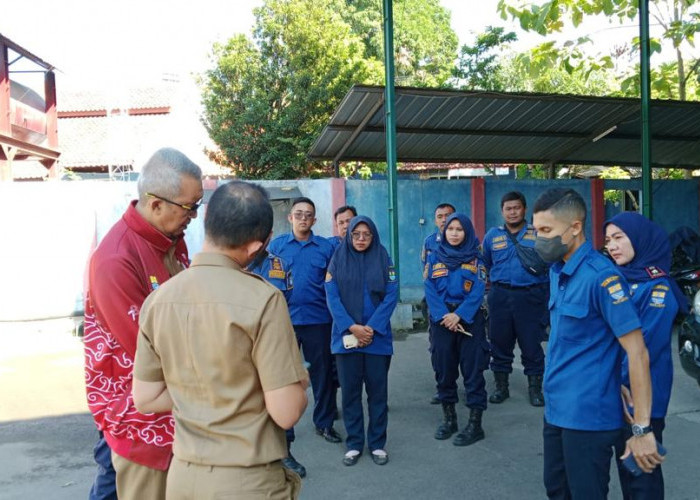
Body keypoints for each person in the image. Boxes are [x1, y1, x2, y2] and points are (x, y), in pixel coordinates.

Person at [133, 181, 309, 500]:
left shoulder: (159, 300)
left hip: (182, 477)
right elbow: (286, 411)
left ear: (206, 221)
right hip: (246, 481)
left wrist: (200, 392)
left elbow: (145, 398)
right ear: (258, 247)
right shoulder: (264, 299)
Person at [83, 148, 203, 499]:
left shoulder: (171, 240)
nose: (194, 216)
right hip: (137, 416)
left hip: (168, 404)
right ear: (155, 204)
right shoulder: (116, 259)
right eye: (189, 207)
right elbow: (144, 348)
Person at [532, 188, 663, 500]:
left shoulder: (602, 278)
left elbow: (637, 352)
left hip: (588, 416)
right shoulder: (557, 271)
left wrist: (642, 428)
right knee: (556, 490)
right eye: (536, 231)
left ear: (575, 227)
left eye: (546, 231)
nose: (539, 239)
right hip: (556, 409)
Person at [605, 212, 685, 500]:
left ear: (640, 239)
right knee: (628, 469)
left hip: (641, 398)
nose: (612, 246)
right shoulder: (620, 279)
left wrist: (611, 378)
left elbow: (642, 349)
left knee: (641, 474)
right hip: (617, 391)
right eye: (607, 240)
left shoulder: (658, 287)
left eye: (618, 238)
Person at [268, 198, 341, 467]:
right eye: (298, 214)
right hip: (283, 322)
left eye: (308, 215)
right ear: (290, 218)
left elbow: (335, 282)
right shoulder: (276, 248)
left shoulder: (324, 248)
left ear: (314, 220)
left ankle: (324, 423)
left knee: (323, 376)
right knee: (283, 378)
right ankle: (283, 434)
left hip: (318, 321)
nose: (303, 219)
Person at [325, 216, 399, 466]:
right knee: (350, 394)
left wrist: (371, 328)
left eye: (366, 234)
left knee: (378, 394)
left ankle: (377, 444)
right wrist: (352, 327)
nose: (360, 239)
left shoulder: (383, 256)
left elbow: (392, 293)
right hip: (347, 338)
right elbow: (331, 295)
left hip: (376, 338)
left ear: (373, 235)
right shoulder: (338, 257)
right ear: (348, 236)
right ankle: (355, 443)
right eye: (356, 234)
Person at [424, 213, 489, 447]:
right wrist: (445, 316)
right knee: (444, 370)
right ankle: (449, 419)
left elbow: (479, 288)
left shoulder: (476, 259)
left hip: (469, 320)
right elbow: (429, 288)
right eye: (450, 228)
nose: (453, 233)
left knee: (473, 372)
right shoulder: (434, 258)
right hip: (442, 321)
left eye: (459, 229)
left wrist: (459, 315)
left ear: (467, 232)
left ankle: (475, 424)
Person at [481, 192, 548, 407]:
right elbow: (487, 263)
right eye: (508, 209)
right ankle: (501, 387)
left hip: (530, 296)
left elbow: (549, 264)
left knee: (531, 344)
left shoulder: (538, 234)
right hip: (500, 296)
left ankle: (535, 389)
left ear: (524, 209)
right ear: (502, 211)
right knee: (499, 342)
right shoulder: (492, 235)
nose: (512, 212)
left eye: (516, 208)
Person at [422, 203, 456, 405]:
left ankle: (468, 387)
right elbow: (427, 276)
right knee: (439, 348)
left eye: (448, 216)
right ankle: (442, 386)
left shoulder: (469, 240)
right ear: (435, 220)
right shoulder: (429, 243)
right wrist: (440, 310)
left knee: (467, 351)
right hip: (436, 304)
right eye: (440, 216)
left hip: (461, 306)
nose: (444, 220)